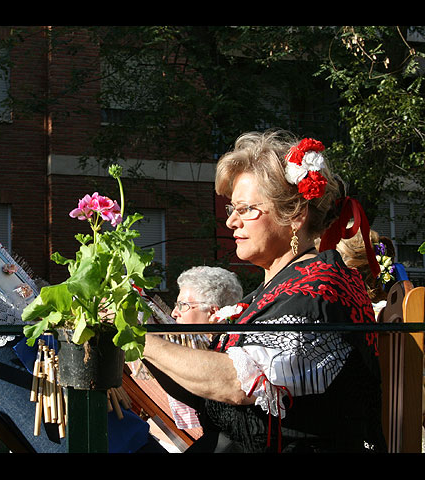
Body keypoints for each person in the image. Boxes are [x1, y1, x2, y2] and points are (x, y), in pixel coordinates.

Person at [142, 130, 386, 453]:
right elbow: (209, 393)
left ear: (295, 214)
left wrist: (139, 339)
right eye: (232, 209)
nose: (231, 222)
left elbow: (237, 384)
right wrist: (137, 335)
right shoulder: (276, 288)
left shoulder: (321, 289)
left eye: (246, 209)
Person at [166, 266, 243, 431]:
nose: (174, 313)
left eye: (182, 305)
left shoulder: (234, 353)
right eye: (176, 305)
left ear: (212, 311)